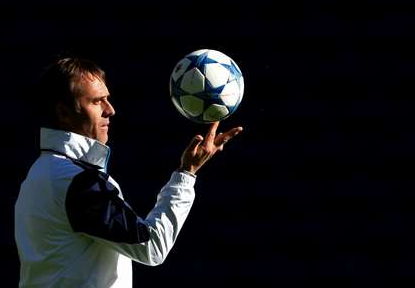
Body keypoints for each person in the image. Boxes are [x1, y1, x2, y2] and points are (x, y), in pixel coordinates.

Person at [14, 57, 243, 288]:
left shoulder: (41, 171)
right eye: (97, 102)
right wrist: (186, 173)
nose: (110, 110)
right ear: (63, 113)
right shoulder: (75, 180)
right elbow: (153, 246)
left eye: (108, 100)